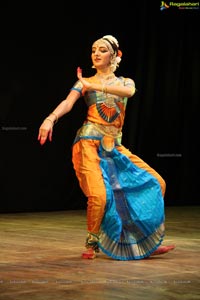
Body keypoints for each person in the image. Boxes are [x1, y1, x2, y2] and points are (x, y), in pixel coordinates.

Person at [38, 34, 175, 260]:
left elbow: (129, 93)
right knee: (99, 196)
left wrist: (93, 84)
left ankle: (145, 241)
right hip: (88, 144)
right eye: (93, 50)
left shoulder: (125, 82)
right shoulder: (84, 83)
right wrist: (50, 118)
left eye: (102, 50)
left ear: (113, 55)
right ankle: (92, 243)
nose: (96, 53)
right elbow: (67, 102)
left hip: (115, 147)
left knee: (157, 183)